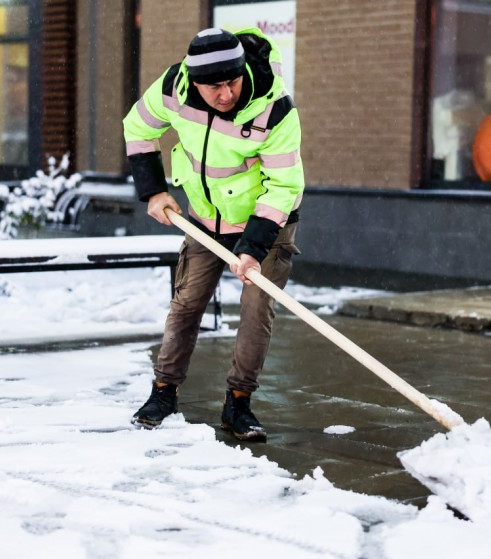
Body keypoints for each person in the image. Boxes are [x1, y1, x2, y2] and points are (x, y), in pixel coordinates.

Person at [122, 27, 304, 442]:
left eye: (232, 81)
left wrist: (253, 248)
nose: (225, 94)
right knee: (185, 305)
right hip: (204, 220)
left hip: (266, 222)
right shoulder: (173, 87)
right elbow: (138, 127)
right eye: (214, 86)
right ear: (193, 78)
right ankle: (164, 392)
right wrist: (153, 191)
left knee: (256, 315)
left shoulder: (273, 108)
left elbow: (283, 186)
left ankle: (238, 403)